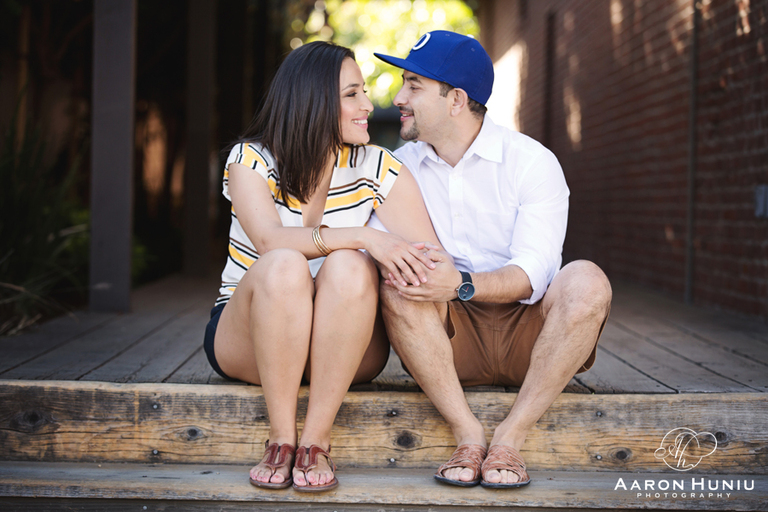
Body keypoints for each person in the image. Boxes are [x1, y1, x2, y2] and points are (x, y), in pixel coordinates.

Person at [371, 31, 612, 489]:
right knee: (396, 282)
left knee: (588, 280)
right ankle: (466, 432)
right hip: (447, 343)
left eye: (414, 85)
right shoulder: (397, 169)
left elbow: (534, 272)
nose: (399, 98)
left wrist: (460, 282)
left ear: (456, 99)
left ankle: (510, 437)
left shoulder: (531, 162)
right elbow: (388, 253)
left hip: (532, 340)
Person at [203, 41, 440, 492]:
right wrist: (364, 236)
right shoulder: (250, 159)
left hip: (344, 345)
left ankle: (315, 439)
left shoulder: (378, 166)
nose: (369, 105)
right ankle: (281, 437)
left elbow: (426, 258)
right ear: (312, 100)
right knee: (284, 266)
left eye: (364, 92)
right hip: (252, 337)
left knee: (351, 267)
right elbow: (270, 241)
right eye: (352, 94)